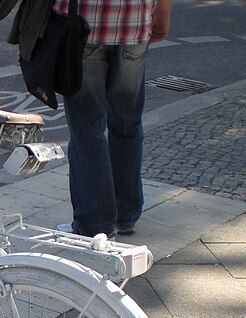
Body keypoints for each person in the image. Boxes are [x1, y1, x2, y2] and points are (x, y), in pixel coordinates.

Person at [54, 0, 174, 238]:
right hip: (135, 23)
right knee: (127, 122)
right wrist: (163, 12)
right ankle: (125, 215)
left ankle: (94, 222)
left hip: (83, 23)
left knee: (87, 128)